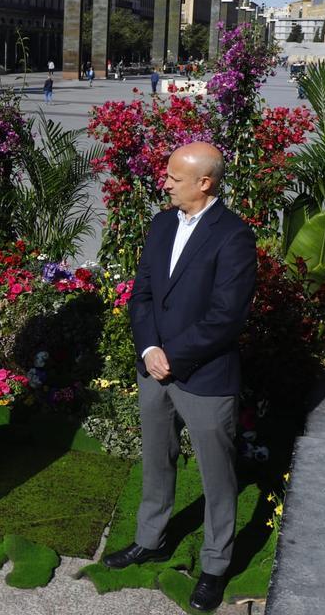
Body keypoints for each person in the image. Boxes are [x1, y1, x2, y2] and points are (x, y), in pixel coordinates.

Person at [103, 142, 257, 614]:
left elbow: (226, 317)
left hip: (205, 377)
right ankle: (151, 539)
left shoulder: (234, 236)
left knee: (217, 476)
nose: (164, 182)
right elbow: (143, 292)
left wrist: (174, 355)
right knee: (157, 459)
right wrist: (150, 349)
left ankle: (214, 565)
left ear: (204, 183)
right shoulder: (162, 222)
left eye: (173, 176)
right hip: (154, 371)